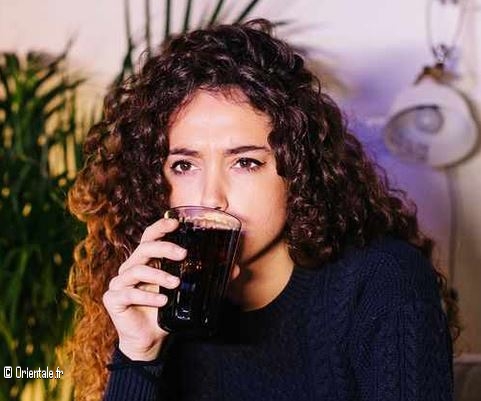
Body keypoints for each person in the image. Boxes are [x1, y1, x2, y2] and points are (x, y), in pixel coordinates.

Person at [67, 19, 457, 401]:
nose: (210, 197)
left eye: (245, 163)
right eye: (184, 165)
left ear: (298, 169)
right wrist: (138, 355)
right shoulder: (169, 304)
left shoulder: (381, 283)